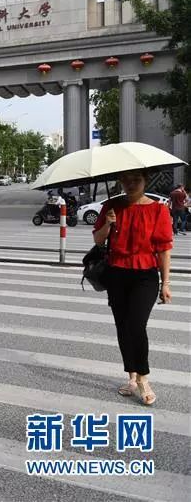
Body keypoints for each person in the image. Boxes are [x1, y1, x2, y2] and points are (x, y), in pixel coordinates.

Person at [93, 169, 173, 406]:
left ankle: (143, 378)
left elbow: (164, 249)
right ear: (120, 181)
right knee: (122, 326)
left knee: (136, 325)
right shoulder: (111, 206)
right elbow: (98, 240)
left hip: (145, 276)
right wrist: (107, 224)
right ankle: (131, 376)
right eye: (126, 180)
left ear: (145, 181)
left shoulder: (158, 209)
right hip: (116, 273)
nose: (130, 184)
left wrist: (165, 283)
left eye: (136, 179)